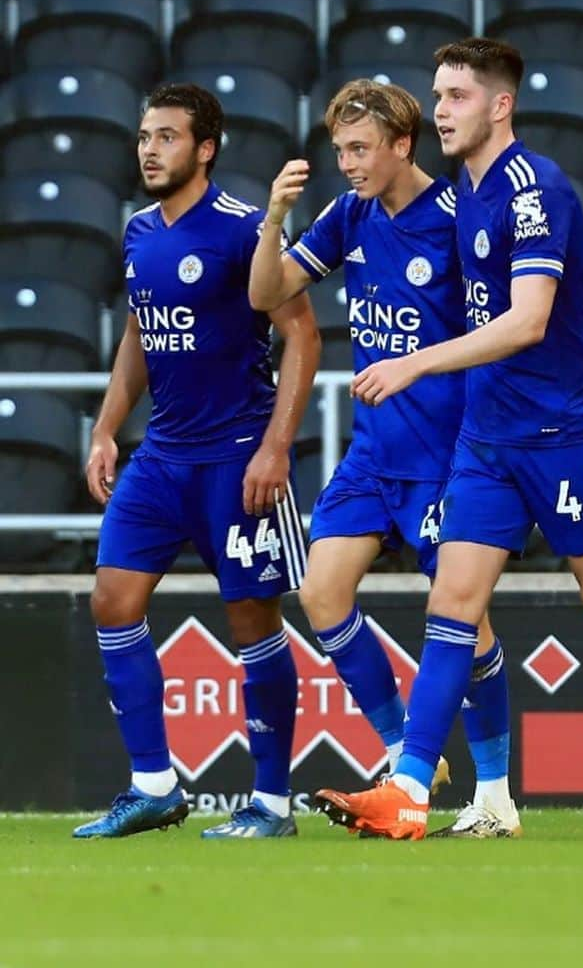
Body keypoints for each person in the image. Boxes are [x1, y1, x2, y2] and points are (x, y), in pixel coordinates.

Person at [249, 78, 583, 838]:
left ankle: (493, 792)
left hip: (447, 449)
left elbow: (528, 311)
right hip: (374, 451)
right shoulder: (349, 215)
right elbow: (269, 292)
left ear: (402, 145)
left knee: (471, 627)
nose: (349, 163)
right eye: (340, 150)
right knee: (321, 592)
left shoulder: (460, 218)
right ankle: (408, 755)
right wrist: (273, 220)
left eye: (361, 149)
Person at [336, 37, 583, 840]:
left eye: (457, 95)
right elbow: (506, 311)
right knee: (451, 603)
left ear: (501, 105)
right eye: (438, 95)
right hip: (487, 437)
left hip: (564, 435)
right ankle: (409, 790)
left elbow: (530, 320)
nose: (441, 110)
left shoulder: (535, 189)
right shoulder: (466, 196)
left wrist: (415, 363)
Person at [74, 84, 321, 839]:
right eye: (144, 136)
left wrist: (277, 446)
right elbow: (141, 333)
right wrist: (108, 428)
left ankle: (272, 802)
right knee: (113, 600)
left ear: (204, 148)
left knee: (253, 622)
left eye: (166, 137)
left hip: (237, 457)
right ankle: (153, 783)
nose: (149, 148)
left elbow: (303, 336)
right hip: (162, 456)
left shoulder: (246, 230)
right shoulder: (139, 231)